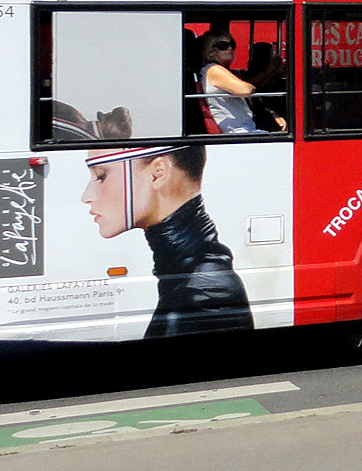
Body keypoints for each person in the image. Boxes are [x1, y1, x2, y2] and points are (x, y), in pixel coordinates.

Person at [81, 143, 254, 338]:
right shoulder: (193, 278)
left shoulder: (201, 294)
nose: (86, 196)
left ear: (158, 173)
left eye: (101, 177)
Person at [198, 33, 285, 134]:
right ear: (211, 52)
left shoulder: (220, 69)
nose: (230, 48)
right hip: (237, 131)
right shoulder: (214, 69)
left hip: (243, 128)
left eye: (232, 45)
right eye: (223, 46)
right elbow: (246, 89)